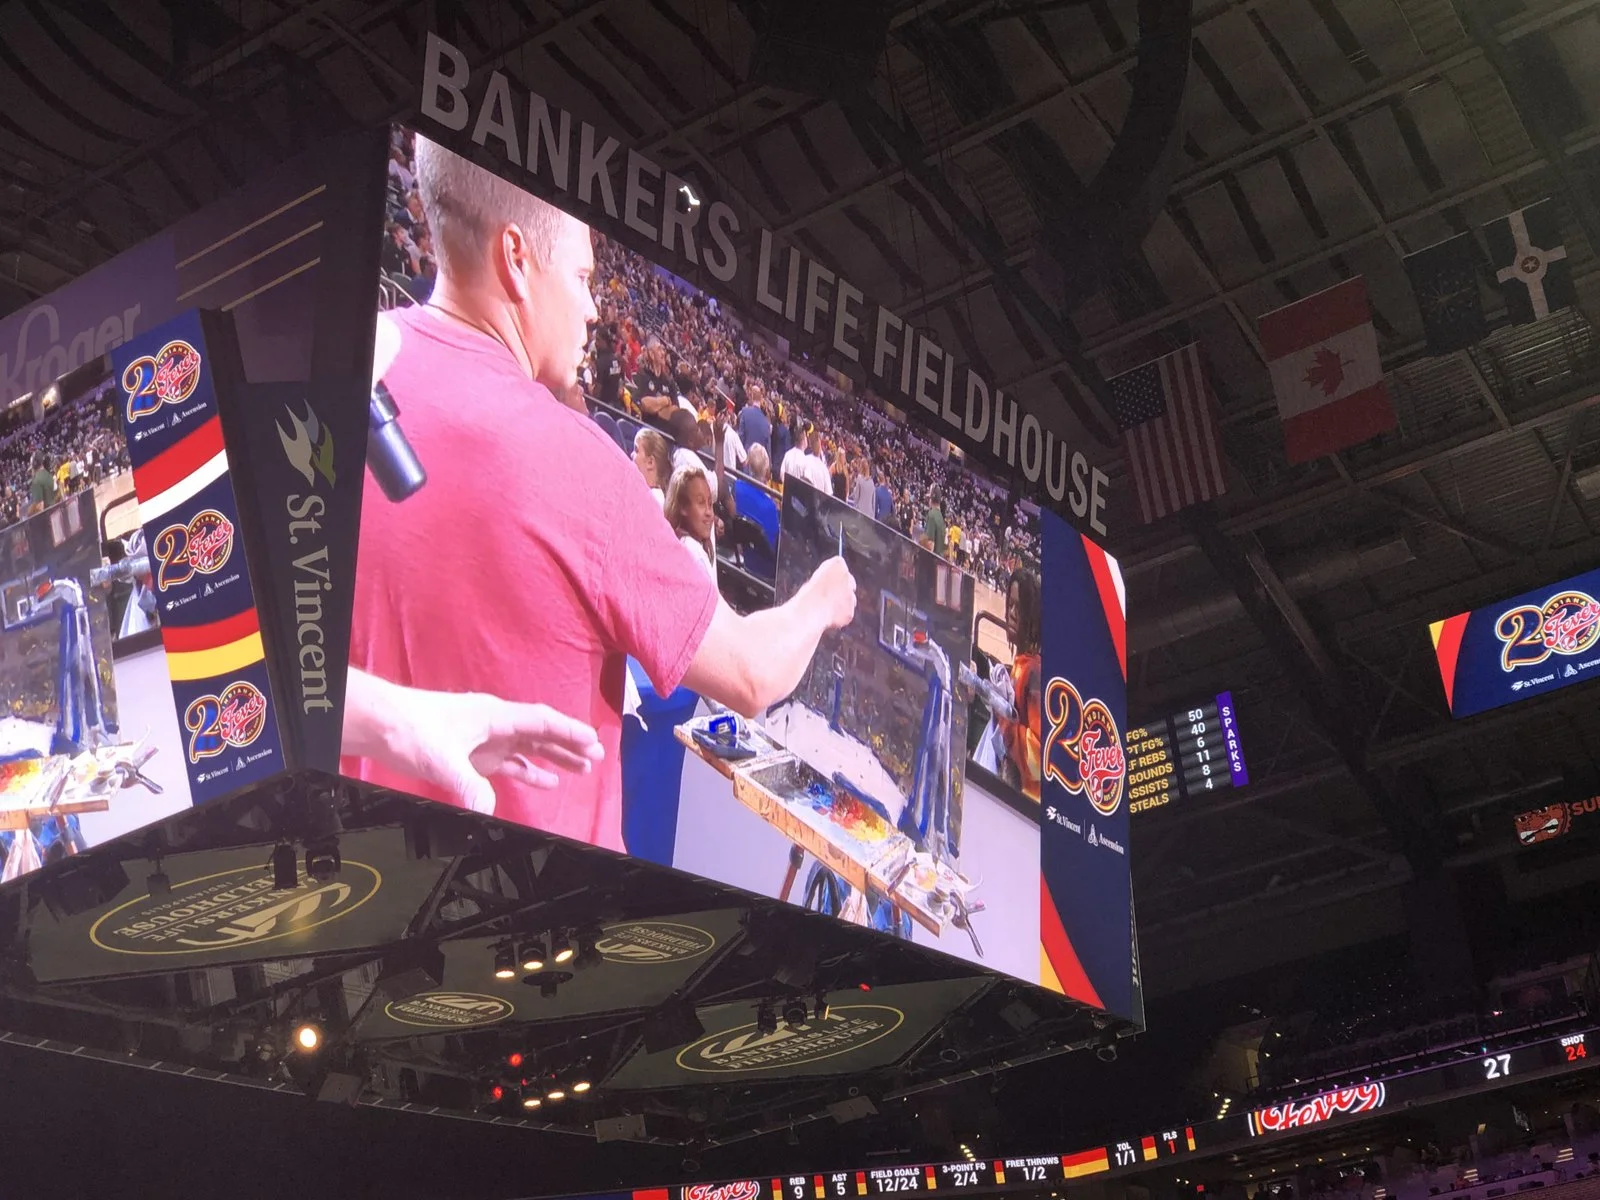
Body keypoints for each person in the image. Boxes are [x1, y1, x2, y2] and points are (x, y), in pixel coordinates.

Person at [342, 134, 858, 852]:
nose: (592, 310)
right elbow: (750, 672)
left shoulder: (346, 375)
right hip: (541, 926)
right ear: (518, 260)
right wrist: (822, 600)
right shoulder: (573, 459)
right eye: (583, 278)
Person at [998, 567, 1043, 802]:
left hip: (1026, 804)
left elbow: (1038, 755)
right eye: (1010, 605)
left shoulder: (1035, 672)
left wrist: (1003, 719)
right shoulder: (1021, 664)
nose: (1011, 614)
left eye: (1019, 608)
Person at [664, 462, 717, 583]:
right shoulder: (693, 552)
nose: (709, 512)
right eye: (700, 502)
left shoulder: (684, 543)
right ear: (683, 507)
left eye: (710, 504)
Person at [632, 427, 673, 507]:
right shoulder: (648, 494)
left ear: (650, 462)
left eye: (636, 450)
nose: (631, 454)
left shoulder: (654, 500)